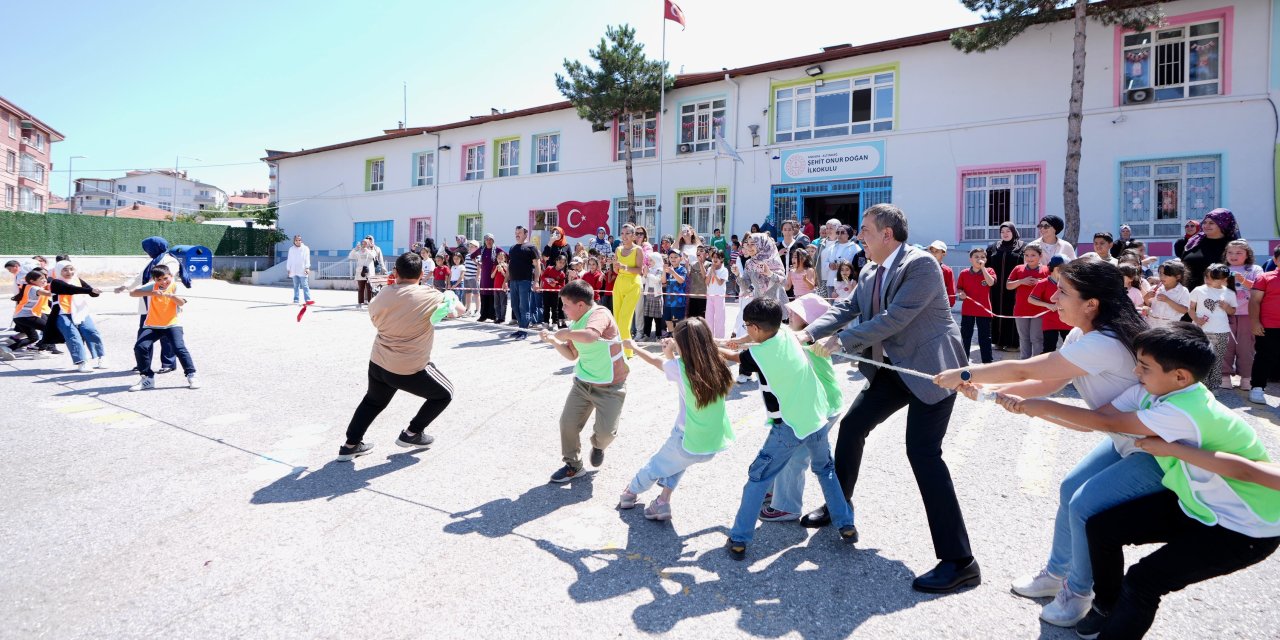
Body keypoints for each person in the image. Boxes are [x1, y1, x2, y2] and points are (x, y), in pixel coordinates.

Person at [998, 324, 1280, 639]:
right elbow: (1100, 419)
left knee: (1143, 581)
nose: (1135, 371)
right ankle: (1105, 607)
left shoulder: (1184, 410)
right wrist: (1028, 407)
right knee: (1102, 527)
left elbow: (1246, 471)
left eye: (1144, 367)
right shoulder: (1152, 390)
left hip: (1246, 527)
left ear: (1180, 377)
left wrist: (1041, 407)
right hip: (1200, 504)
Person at [935, 259, 1152, 627]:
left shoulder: (1105, 342)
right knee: (1071, 488)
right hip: (1125, 439)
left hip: (1156, 449)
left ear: (1092, 303)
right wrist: (989, 392)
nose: (1054, 297)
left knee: (1085, 504)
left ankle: (1077, 593)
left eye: (1064, 291)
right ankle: (1056, 573)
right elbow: (1049, 383)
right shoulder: (1083, 335)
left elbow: (1028, 368)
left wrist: (965, 372)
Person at [798, 203, 976, 593]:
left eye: (865, 230)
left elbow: (895, 317)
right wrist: (809, 333)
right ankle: (839, 506)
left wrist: (842, 340)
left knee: (923, 454)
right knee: (852, 426)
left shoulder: (921, 265)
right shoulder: (870, 268)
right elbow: (849, 307)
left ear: (887, 234)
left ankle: (960, 561)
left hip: (932, 371)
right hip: (893, 370)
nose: (859, 235)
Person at [722, 297, 857, 560]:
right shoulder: (785, 333)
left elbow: (734, 357)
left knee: (757, 478)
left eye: (747, 326)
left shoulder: (758, 354)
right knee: (826, 470)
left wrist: (707, 347)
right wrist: (738, 339)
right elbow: (745, 345)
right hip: (816, 418)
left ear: (755, 328)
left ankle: (739, 538)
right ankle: (846, 524)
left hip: (789, 426)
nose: (747, 330)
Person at [334, 252, 450, 461]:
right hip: (409, 368)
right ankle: (412, 433)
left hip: (379, 362)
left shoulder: (383, 294)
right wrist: (450, 297)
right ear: (421, 274)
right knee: (444, 394)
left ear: (395, 272)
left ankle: (350, 445)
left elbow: (375, 319)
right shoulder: (430, 295)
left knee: (373, 401)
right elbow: (457, 310)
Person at [617, 318, 735, 521]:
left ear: (684, 345)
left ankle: (630, 493)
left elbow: (656, 361)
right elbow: (673, 364)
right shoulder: (718, 363)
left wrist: (634, 346)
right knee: (677, 464)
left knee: (656, 466)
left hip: (687, 437)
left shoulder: (680, 368)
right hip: (712, 441)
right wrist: (671, 352)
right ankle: (662, 503)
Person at [541, 280, 629, 483]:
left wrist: (566, 333)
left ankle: (598, 446)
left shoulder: (600, 314)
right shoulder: (575, 323)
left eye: (565, 305)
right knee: (567, 424)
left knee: (606, 434)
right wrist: (554, 341)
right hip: (582, 383)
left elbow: (590, 336)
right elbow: (572, 355)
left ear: (580, 305)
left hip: (611, 386)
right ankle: (573, 465)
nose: (562, 309)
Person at [116, 237, 182, 373]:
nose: (147, 252)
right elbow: (139, 277)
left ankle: (168, 363)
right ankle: (143, 363)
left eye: (148, 249)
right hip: (149, 303)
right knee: (144, 334)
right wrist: (125, 286)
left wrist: (145, 289)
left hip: (164, 304)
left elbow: (166, 278)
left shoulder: (170, 260)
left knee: (166, 334)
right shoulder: (152, 261)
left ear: (154, 248)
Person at [128, 265, 199, 391]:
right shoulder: (152, 286)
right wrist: (151, 293)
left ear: (171, 276)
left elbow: (182, 302)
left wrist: (172, 296)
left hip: (172, 324)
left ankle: (191, 374)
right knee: (140, 347)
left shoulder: (177, 286)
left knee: (179, 348)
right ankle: (147, 378)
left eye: (165, 278)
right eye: (159, 280)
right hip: (152, 324)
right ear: (155, 280)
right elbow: (132, 293)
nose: (163, 282)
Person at [1188, 263, 1235, 391]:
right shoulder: (1198, 290)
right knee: (1202, 358)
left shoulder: (1229, 293)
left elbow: (1233, 311)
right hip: (1203, 331)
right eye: (1206, 277)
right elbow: (1191, 309)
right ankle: (1202, 386)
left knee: (1218, 359)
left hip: (1221, 331)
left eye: (1213, 278)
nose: (1208, 280)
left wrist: (1226, 307)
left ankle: (1214, 386)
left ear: (1224, 280)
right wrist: (1196, 319)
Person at [52, 261, 105, 372]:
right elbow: (70, 289)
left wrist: (95, 291)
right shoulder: (56, 282)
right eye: (65, 270)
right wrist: (89, 290)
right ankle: (82, 362)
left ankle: (101, 357)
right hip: (62, 313)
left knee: (91, 331)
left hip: (80, 312)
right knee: (73, 335)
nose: (69, 272)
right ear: (59, 271)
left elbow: (91, 292)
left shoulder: (78, 280)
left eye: (71, 269)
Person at [986, 221, 1025, 352]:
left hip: (1015, 288)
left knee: (1013, 312)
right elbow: (986, 267)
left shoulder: (1023, 247)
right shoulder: (993, 247)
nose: (1005, 234)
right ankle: (998, 341)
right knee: (996, 312)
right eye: (1002, 232)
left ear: (1013, 232)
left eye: (1008, 231)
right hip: (996, 289)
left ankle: (1013, 343)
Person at [1181, 208, 1239, 291]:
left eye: (1211, 223)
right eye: (1204, 222)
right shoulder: (1194, 242)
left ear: (1223, 224)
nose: (1206, 226)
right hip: (1188, 295)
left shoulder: (1233, 246)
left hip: (1218, 297)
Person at [956, 248, 997, 364]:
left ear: (986, 259)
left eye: (983, 257)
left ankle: (987, 362)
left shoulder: (990, 270)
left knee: (985, 338)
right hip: (968, 310)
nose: (980, 259)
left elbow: (990, 283)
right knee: (965, 337)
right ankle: (963, 361)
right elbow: (959, 288)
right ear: (971, 259)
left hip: (984, 311)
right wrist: (961, 293)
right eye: (977, 257)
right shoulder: (964, 273)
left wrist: (983, 268)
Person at [1009, 245, 1049, 359]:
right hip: (1021, 310)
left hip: (1039, 311)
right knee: (1024, 338)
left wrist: (1039, 282)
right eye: (1026, 255)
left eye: (1033, 255)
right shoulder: (1018, 269)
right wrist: (1021, 281)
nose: (1029, 258)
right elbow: (1008, 286)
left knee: (1037, 338)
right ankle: (1024, 362)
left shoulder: (1046, 270)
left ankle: (1037, 363)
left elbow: (1052, 287)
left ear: (1040, 256)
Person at [610, 224, 644, 356]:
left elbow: (639, 270)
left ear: (633, 236)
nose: (624, 236)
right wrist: (616, 266)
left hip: (633, 284)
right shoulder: (618, 249)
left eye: (627, 233)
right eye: (622, 233)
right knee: (617, 319)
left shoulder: (638, 250)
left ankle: (628, 353)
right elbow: (615, 270)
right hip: (619, 283)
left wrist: (624, 267)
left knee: (624, 321)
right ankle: (619, 351)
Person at [1249, 263, 1280, 404]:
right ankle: (1257, 387)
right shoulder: (1265, 278)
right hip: (1269, 325)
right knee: (1264, 356)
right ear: (1275, 260)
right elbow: (1254, 301)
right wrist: (1255, 322)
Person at [1029, 256, 1072, 353]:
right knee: (1049, 347)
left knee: (1071, 348)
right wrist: (1048, 305)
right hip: (1050, 321)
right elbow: (1031, 299)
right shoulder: (1043, 283)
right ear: (1057, 269)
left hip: (1068, 320)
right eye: (1066, 269)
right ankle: (1046, 367)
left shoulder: (1070, 283)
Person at [507, 226, 541, 340]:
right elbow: (509, 266)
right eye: (516, 232)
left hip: (525, 281)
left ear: (526, 234)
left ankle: (524, 331)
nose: (517, 234)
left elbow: (537, 266)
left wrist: (536, 281)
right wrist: (504, 281)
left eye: (519, 232)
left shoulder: (531, 247)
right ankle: (521, 329)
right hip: (513, 281)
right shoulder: (512, 248)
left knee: (524, 307)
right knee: (514, 306)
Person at [9, 271, 51, 352]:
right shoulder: (35, 288)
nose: (45, 280)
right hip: (27, 316)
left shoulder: (28, 287)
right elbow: (49, 294)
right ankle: (41, 349)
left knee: (33, 338)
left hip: (19, 317)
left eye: (45, 278)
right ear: (32, 281)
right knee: (49, 329)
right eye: (41, 278)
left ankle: (9, 348)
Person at [471, 234, 506, 322]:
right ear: (484, 240)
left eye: (490, 239)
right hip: (484, 276)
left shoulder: (497, 249)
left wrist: (504, 266)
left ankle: (494, 316)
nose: (488, 241)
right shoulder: (482, 249)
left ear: (493, 240)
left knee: (493, 296)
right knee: (484, 294)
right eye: (487, 239)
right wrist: (478, 264)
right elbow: (472, 256)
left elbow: (506, 256)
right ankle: (483, 315)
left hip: (494, 275)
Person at [1145, 261, 1190, 327]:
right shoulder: (1155, 288)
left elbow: (1184, 310)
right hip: (1151, 324)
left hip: (1170, 326)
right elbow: (1149, 304)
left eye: (1166, 275)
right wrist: (1146, 297)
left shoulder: (1183, 291)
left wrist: (1168, 300)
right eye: (1160, 274)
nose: (1162, 277)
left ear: (1178, 277)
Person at [348, 236, 383, 309]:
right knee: (361, 288)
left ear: (368, 244)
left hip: (369, 273)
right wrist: (355, 249)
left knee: (369, 288)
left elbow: (373, 256)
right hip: (360, 272)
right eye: (362, 243)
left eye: (365, 243)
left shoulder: (371, 250)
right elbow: (350, 256)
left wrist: (367, 249)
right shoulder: (358, 252)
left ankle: (370, 303)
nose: (363, 244)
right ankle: (360, 303)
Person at [661, 251, 688, 338]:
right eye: (671, 257)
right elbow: (663, 282)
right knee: (668, 319)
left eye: (675, 257)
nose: (673, 259)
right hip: (668, 301)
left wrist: (672, 272)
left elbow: (681, 280)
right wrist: (664, 271)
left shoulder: (682, 269)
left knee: (678, 321)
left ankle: (679, 337)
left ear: (680, 258)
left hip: (678, 302)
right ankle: (672, 335)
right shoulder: (669, 269)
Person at [704, 249, 729, 339]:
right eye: (713, 257)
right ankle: (709, 337)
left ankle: (719, 338)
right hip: (710, 295)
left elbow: (720, 283)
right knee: (709, 317)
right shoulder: (710, 268)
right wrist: (711, 272)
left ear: (721, 259)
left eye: (717, 258)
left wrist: (714, 273)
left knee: (719, 318)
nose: (715, 259)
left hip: (719, 296)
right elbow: (706, 282)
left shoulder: (724, 270)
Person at [541, 254, 568, 329]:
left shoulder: (562, 274)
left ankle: (554, 323)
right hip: (546, 291)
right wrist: (548, 280)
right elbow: (543, 277)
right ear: (556, 261)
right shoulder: (549, 268)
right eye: (560, 262)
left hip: (555, 293)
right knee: (546, 307)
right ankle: (546, 322)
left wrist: (555, 286)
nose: (561, 264)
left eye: (563, 263)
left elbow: (562, 286)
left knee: (554, 308)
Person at [927, 240, 956, 307]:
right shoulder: (924, 267)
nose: (934, 254)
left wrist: (950, 304)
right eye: (932, 251)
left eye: (937, 251)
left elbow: (951, 289)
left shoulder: (947, 270)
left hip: (940, 305)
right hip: (925, 305)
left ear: (944, 253)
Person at [286, 234, 313, 306]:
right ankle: (296, 299)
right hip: (294, 270)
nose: (298, 241)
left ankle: (308, 300)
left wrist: (307, 267)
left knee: (305, 285)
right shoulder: (291, 249)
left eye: (299, 240)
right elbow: (289, 260)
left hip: (302, 270)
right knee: (296, 285)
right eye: (296, 240)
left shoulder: (305, 248)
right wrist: (288, 269)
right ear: (294, 241)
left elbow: (307, 259)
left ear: (301, 240)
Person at [685, 246, 708, 319]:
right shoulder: (693, 264)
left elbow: (705, 277)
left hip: (704, 296)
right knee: (692, 318)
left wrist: (701, 263)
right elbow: (688, 275)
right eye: (697, 251)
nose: (698, 252)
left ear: (706, 254)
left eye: (701, 251)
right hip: (693, 295)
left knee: (701, 319)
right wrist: (687, 264)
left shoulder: (709, 264)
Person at [492, 252, 509, 323]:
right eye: (499, 258)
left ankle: (502, 318)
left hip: (503, 288)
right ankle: (498, 317)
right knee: (496, 304)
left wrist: (502, 270)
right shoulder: (495, 266)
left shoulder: (506, 266)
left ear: (505, 259)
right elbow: (492, 276)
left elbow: (507, 277)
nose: (500, 260)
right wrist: (496, 269)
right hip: (496, 287)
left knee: (503, 303)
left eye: (502, 258)